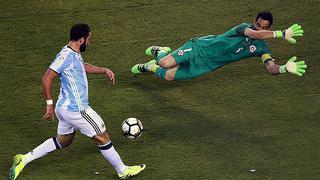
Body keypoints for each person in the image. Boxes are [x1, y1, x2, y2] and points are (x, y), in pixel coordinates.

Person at [8, 23, 145, 180]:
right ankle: (122, 170)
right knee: (103, 136)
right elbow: (47, 77)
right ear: (81, 40)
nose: (89, 42)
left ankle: (24, 159)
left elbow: (81, 66)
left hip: (64, 108)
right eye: (89, 39)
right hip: (77, 110)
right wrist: (49, 105)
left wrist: (103, 69)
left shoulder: (72, 52)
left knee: (64, 140)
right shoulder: (65, 56)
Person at [131, 12, 307, 81]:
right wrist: (281, 33)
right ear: (254, 21)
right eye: (258, 24)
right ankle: (160, 52)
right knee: (165, 63)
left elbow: (271, 68)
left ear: (268, 28)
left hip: (207, 65)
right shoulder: (243, 28)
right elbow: (254, 34)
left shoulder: (262, 49)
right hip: (199, 47)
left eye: (264, 27)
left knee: (168, 76)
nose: (260, 28)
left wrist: (284, 68)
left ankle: (149, 66)